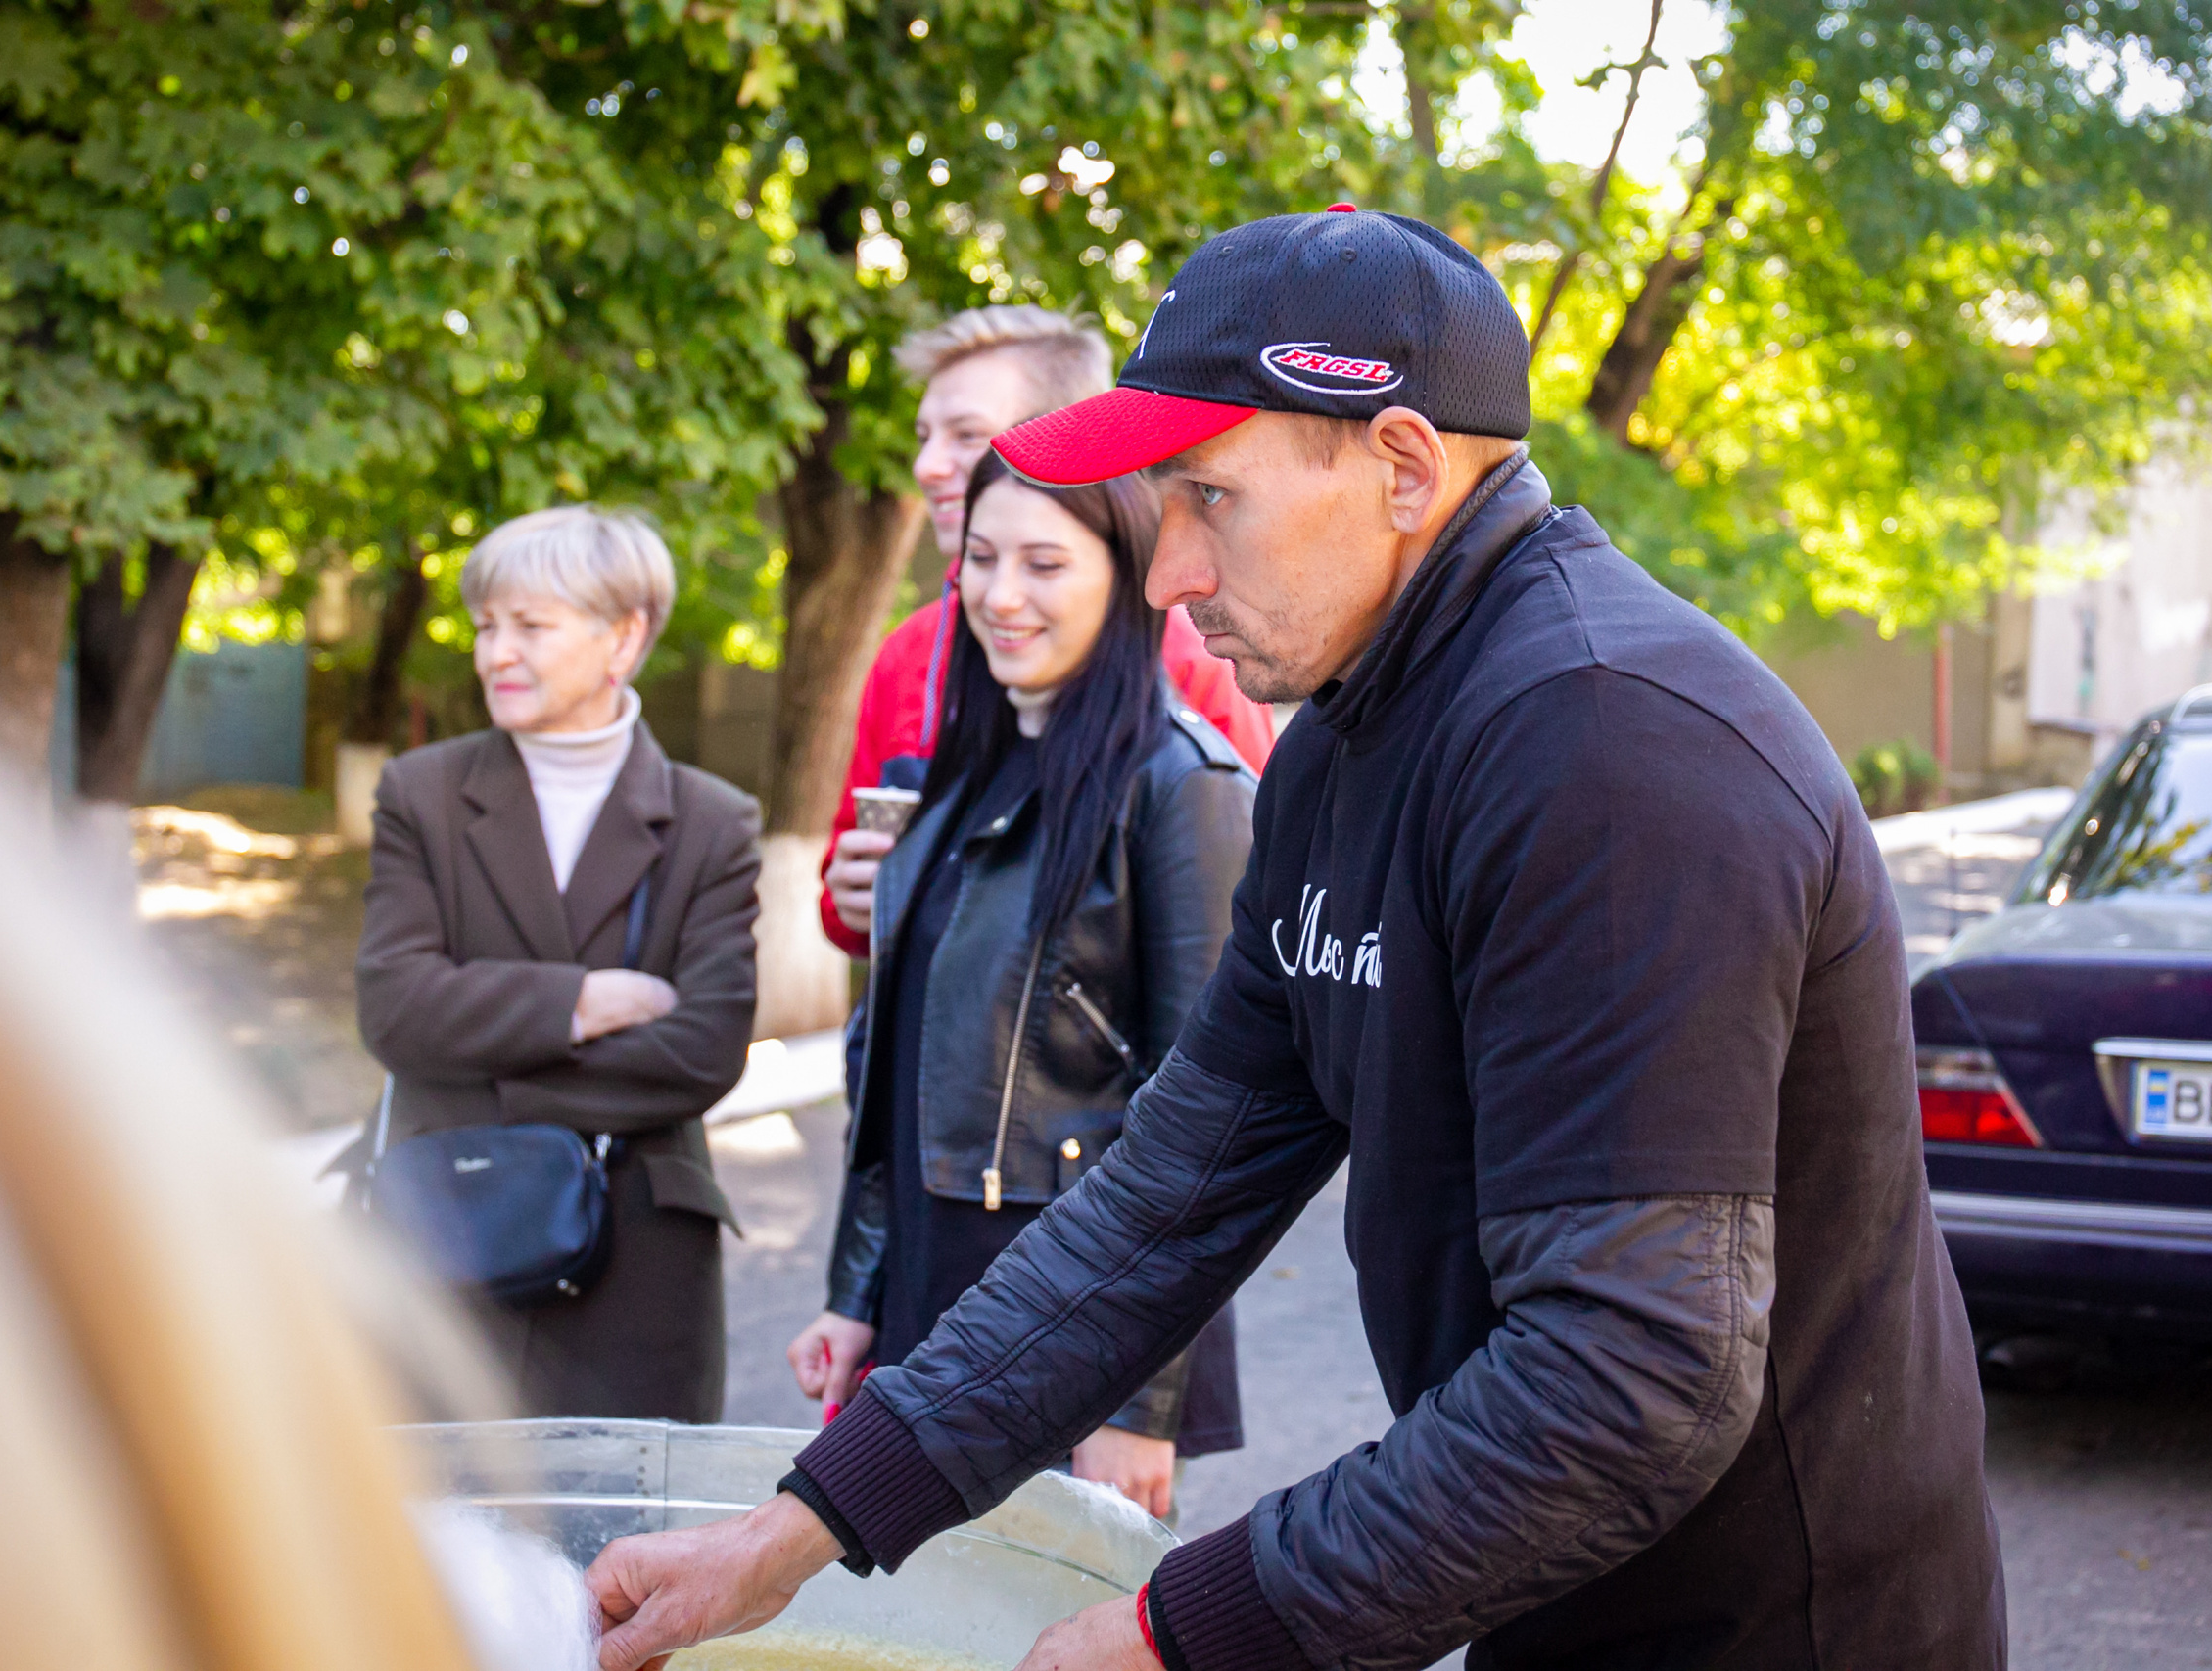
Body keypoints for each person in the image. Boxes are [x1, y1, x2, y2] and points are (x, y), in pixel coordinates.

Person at [587, 209, 2005, 1670]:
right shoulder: (1343, 744)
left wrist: (1171, 1632)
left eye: (1209, 498)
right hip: (1542, 1579)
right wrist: (790, 1533)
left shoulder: (1609, 749)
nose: (1167, 577)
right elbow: (1169, 1195)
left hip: (1779, 1620)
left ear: (1401, 466)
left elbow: (1633, 1375)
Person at [789, 447, 1254, 1518]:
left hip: (1069, 1321)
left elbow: (1213, 1132)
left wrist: (1140, 1404)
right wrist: (855, 1293)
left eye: (1044, 563)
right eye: (981, 558)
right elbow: (895, 1061)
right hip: (927, 1298)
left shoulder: (1183, 790)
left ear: (1127, 572)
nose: (1001, 596)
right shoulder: (957, 782)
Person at [356, 505, 761, 1422]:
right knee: (435, 1541)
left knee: (619, 1556)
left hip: (636, 1263)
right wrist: (585, 1000)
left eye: (530, 626)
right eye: (486, 626)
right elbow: (394, 1009)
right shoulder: (420, 794)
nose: (497, 651)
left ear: (622, 638)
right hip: (444, 1236)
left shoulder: (713, 820)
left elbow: (703, 1049)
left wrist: (471, 1070)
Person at [818, 306, 1273, 960]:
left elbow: (1249, 898)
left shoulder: (1195, 655)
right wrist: (854, 896)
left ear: (1069, 439)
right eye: (923, 436)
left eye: (965, 435)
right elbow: (843, 908)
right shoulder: (909, 652)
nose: (928, 465)